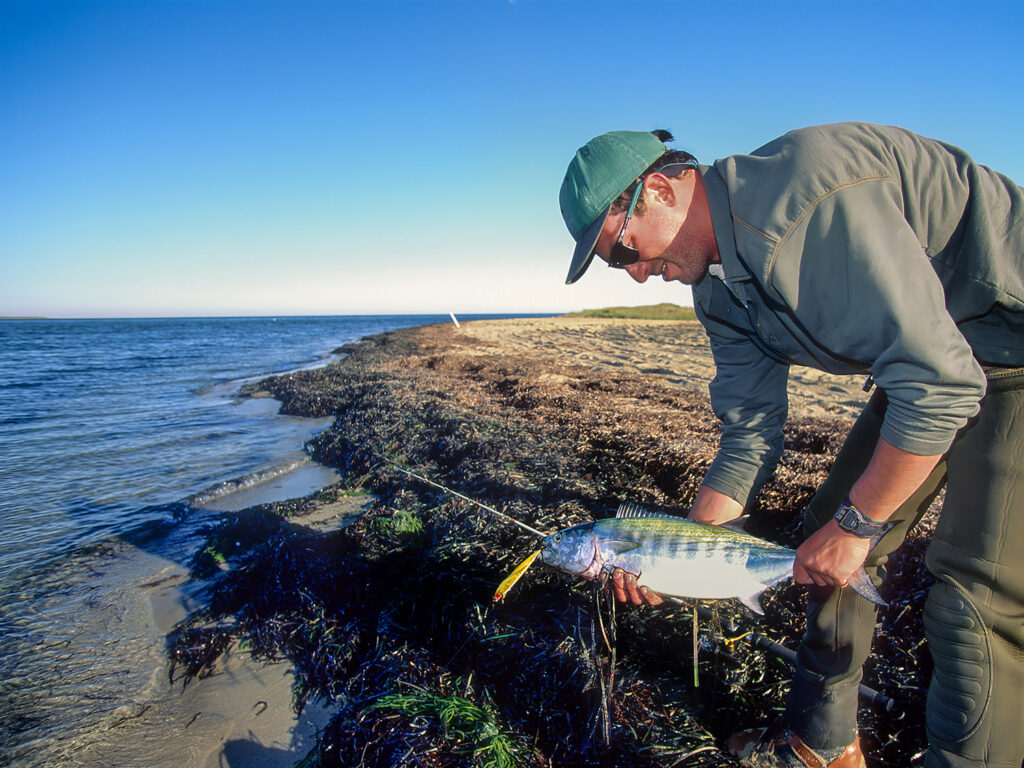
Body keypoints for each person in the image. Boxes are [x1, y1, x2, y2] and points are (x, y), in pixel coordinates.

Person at [558, 123, 1024, 768]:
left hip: (1008, 351)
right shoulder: (716, 290)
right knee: (822, 547)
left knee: (974, 600)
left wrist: (860, 523)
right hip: (928, 362)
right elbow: (750, 429)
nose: (635, 278)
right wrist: (687, 554)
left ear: (658, 190)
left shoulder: (803, 204)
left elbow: (939, 387)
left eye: (620, 254)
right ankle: (822, 742)